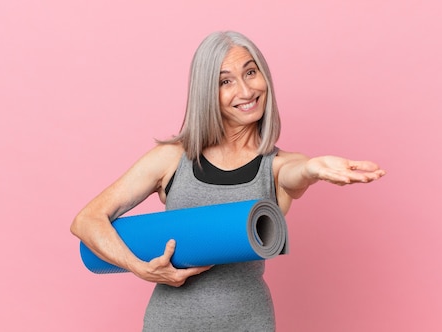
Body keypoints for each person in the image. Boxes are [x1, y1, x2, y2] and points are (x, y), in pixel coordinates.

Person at [70, 31, 385, 331]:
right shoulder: (171, 158)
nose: (246, 91)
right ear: (208, 93)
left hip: (249, 323)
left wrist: (313, 168)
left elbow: (295, 173)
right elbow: (87, 220)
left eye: (251, 72)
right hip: (169, 325)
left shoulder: (276, 166)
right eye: (226, 81)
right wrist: (138, 266)